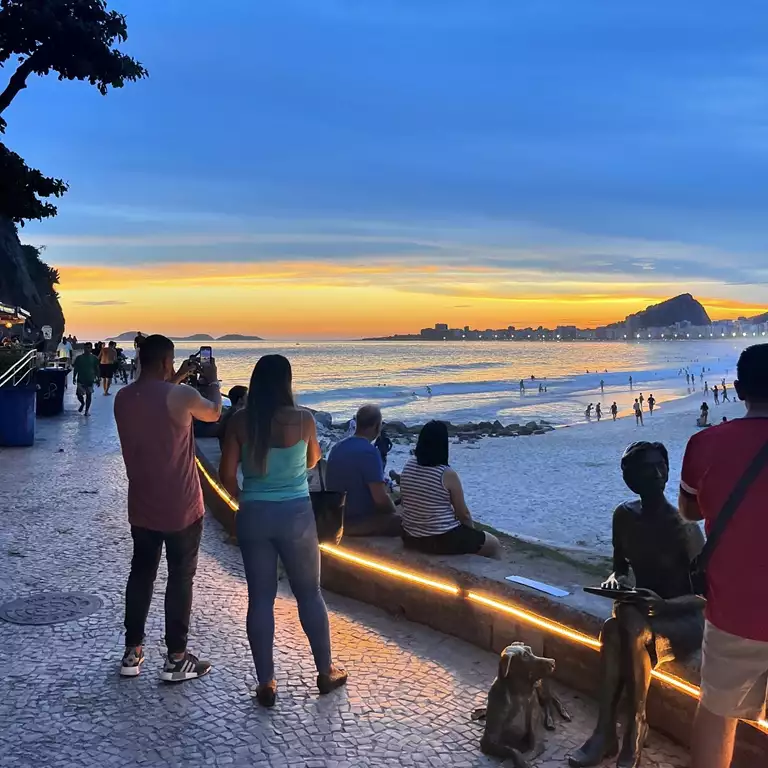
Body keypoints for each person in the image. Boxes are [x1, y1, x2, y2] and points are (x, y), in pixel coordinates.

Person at [219, 354, 346, 707]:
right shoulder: (304, 419)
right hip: (296, 515)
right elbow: (312, 461)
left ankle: (267, 682)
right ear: (287, 383)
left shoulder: (241, 423)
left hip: (254, 514)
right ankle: (325, 670)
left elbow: (226, 475)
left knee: (260, 598)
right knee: (309, 594)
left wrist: (246, 497)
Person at [569, 442, 704, 768]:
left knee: (623, 627)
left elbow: (705, 598)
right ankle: (615, 731)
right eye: (648, 468)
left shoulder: (685, 529)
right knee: (617, 629)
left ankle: (624, 729)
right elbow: (620, 567)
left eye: (662, 466)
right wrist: (615, 581)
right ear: (632, 478)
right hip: (640, 615)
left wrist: (664, 606)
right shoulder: (624, 516)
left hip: (683, 618)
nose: (658, 474)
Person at [114, 334, 222, 681]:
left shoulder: (123, 398)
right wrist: (213, 379)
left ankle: (132, 653)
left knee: (141, 573)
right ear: (166, 362)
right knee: (180, 578)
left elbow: (155, 399)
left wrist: (176, 378)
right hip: (181, 507)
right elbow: (214, 412)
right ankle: (176, 658)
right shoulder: (182, 396)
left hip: (142, 504)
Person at [681, 345, 768, 768]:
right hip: (734, 608)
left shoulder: (705, 443)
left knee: (717, 712)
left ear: (737, 390)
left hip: (732, 609)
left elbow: (689, 511)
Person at [400, 421, 501, 559]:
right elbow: (463, 513)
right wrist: (470, 533)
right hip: (441, 539)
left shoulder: (409, 465)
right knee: (493, 544)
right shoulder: (446, 474)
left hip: (410, 536)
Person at [326, 404, 401, 536]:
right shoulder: (370, 452)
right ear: (377, 426)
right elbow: (380, 498)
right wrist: (394, 510)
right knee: (401, 520)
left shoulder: (337, 447)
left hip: (336, 516)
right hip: (356, 520)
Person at [72, 342, 100, 415]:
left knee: (89, 395)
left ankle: (86, 411)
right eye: (85, 348)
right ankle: (82, 403)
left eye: (88, 348)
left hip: (90, 379)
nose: (87, 349)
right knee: (79, 395)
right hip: (80, 379)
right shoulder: (79, 358)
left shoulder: (94, 358)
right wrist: (74, 377)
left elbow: (97, 369)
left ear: (91, 349)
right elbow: (76, 368)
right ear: (83, 348)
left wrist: (98, 379)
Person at [217, 385, 248, 450]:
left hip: (225, 447)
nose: (248, 398)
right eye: (246, 396)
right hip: (231, 450)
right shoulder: (237, 415)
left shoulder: (229, 412)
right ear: (240, 400)